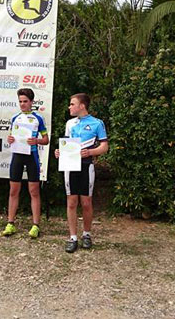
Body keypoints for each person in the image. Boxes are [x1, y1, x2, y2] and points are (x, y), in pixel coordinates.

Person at [55, 93, 108, 253]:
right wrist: (59, 152)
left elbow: (104, 147)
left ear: (82, 106)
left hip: (86, 165)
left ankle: (86, 234)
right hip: (70, 165)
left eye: (72, 104)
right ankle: (73, 237)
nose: (69, 107)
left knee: (86, 202)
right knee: (71, 202)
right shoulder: (70, 123)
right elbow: (67, 144)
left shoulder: (97, 123)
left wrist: (90, 152)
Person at [0, 88, 49, 238]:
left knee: (34, 191)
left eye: (25, 101)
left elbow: (46, 140)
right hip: (17, 156)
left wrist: (37, 140)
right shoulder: (15, 118)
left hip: (31, 156)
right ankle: (10, 223)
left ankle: (36, 225)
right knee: (13, 190)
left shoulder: (38, 118)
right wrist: (10, 139)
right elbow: (12, 136)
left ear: (31, 102)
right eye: (20, 101)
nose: (22, 104)